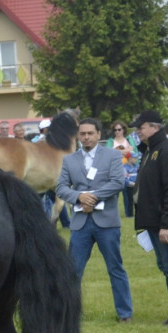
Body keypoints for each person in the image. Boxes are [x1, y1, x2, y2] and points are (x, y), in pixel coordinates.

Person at [56, 118, 133, 322]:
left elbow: (118, 182)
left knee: (115, 268)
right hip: (81, 223)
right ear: (78, 136)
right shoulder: (69, 160)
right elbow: (61, 187)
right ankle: (69, 313)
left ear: (99, 135)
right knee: (73, 271)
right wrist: (79, 197)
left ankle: (125, 313)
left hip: (106, 222)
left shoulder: (112, 156)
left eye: (90, 133)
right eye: (83, 134)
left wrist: (93, 196)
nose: (86, 137)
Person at [132, 110, 168, 326]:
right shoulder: (150, 150)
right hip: (152, 221)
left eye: (142, 126)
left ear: (155, 127)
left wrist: (167, 224)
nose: (138, 131)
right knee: (166, 267)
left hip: (163, 223)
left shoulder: (167, 151)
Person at [105, 121, 139, 218]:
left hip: (129, 172)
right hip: (115, 170)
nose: (117, 132)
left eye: (119, 129)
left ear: (123, 130)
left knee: (129, 195)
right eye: (115, 130)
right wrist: (126, 150)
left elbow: (134, 153)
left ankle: (129, 214)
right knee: (114, 194)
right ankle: (112, 214)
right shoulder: (110, 141)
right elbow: (108, 153)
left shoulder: (130, 139)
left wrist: (118, 151)